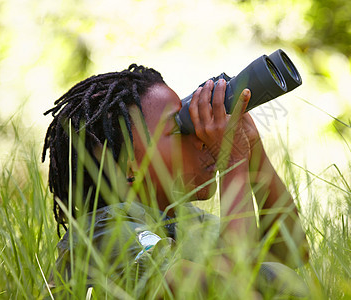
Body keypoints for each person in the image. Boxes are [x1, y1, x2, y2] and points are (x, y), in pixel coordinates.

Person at [42, 64, 310, 298]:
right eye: (180, 128)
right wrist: (232, 161)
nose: (201, 139)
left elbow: (289, 253)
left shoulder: (185, 222)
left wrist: (253, 151)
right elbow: (232, 292)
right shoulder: (105, 234)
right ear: (129, 164)